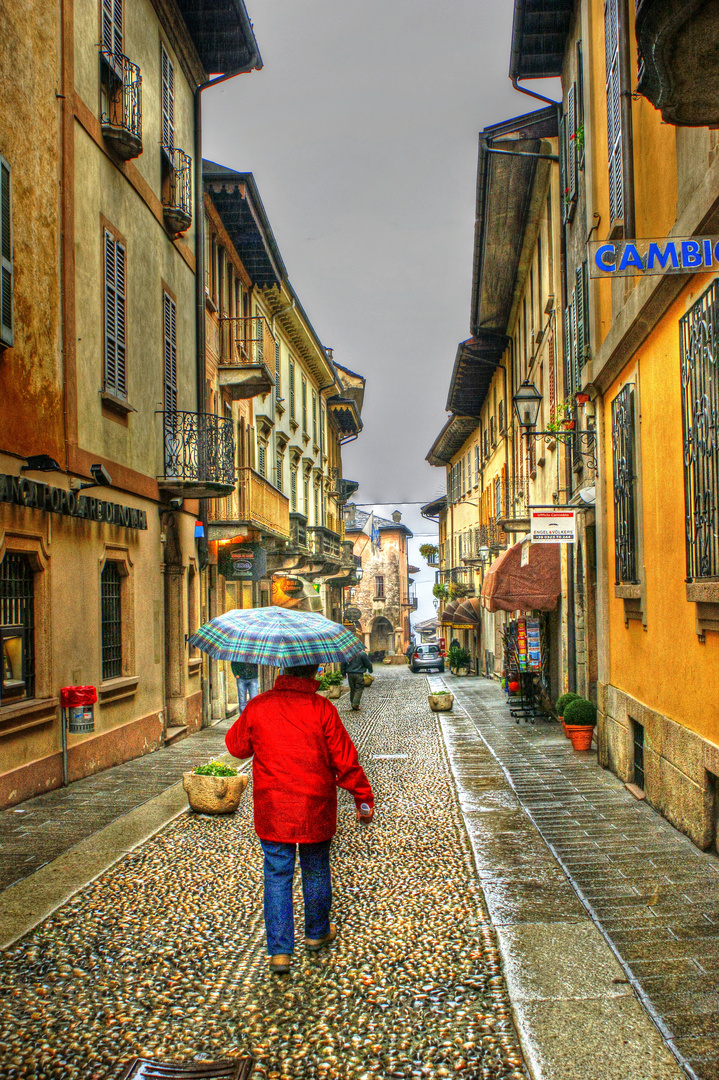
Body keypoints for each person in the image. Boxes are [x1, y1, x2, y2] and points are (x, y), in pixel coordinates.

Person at [225, 662, 374, 975]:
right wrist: (362, 798)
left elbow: (237, 747)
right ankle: (317, 932)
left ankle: (279, 952)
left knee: (277, 874)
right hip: (314, 806)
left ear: (282, 670)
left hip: (274, 808)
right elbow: (345, 760)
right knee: (316, 868)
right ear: (312, 672)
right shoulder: (322, 709)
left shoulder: (259, 705)